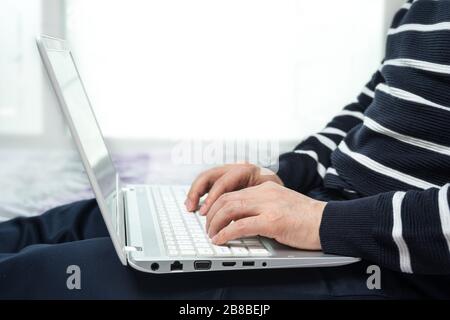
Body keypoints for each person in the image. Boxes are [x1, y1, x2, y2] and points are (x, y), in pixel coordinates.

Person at [1, 0, 449, 299]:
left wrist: (321, 222)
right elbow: (371, 109)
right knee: (75, 224)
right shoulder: (418, 7)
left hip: (402, 266)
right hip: (338, 217)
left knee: (45, 275)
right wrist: (284, 176)